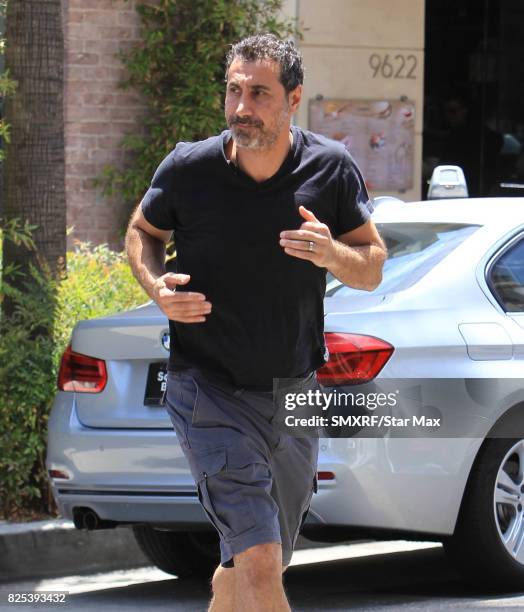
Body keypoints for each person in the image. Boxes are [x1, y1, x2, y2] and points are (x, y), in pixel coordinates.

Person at [125, 33, 386, 612]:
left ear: (293, 99)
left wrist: (332, 254)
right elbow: (142, 231)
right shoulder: (189, 168)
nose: (242, 107)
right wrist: (156, 287)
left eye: (259, 93)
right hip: (209, 389)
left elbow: (371, 267)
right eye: (234, 91)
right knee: (262, 559)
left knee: (251, 566)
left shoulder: (330, 168)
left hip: (295, 393)